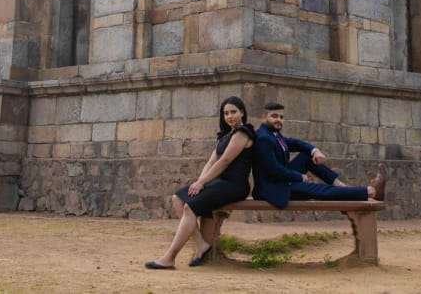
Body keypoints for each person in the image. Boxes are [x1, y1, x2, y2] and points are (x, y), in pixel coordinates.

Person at [145, 95, 256, 270]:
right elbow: (211, 162)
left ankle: (169, 258)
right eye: (226, 113)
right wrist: (199, 183)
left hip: (235, 185)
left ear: (242, 112)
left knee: (190, 208)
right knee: (178, 199)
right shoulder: (225, 136)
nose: (229, 116)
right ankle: (201, 244)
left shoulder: (243, 133)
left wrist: (202, 182)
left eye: (233, 112)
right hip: (219, 183)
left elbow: (225, 161)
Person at [252, 101, 386, 208]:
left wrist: (314, 151)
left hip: (281, 181)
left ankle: (341, 186)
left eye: (281, 117)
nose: (279, 120)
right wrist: (300, 177)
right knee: (319, 190)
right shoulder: (264, 138)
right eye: (274, 116)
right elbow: (274, 170)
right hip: (273, 189)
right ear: (264, 117)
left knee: (306, 156)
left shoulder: (273, 134)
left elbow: (295, 143)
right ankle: (370, 191)